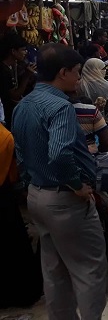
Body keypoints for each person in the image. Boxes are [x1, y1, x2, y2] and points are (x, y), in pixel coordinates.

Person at [12, 44, 106, 319]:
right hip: (65, 199)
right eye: (76, 73)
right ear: (63, 72)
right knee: (89, 271)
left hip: (37, 196)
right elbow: (60, 154)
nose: (78, 78)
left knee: (54, 271)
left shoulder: (24, 104)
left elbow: (21, 153)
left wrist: (31, 184)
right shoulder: (61, 107)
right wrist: (77, 186)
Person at [0, 119, 43, 308]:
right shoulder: (4, 136)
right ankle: (22, 294)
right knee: (12, 246)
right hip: (3, 199)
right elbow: (12, 174)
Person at [0, 33, 36, 126]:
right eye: (23, 50)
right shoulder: (4, 71)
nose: (26, 52)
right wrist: (27, 76)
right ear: (13, 51)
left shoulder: (10, 67)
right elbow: (15, 96)